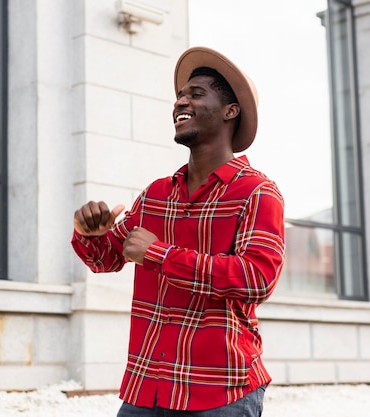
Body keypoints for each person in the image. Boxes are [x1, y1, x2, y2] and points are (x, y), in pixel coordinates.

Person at [71, 46, 285, 416]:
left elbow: (257, 279)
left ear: (229, 111)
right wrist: (90, 234)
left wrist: (159, 255)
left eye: (196, 94)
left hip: (220, 391)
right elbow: (106, 260)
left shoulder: (256, 192)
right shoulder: (155, 194)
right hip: (147, 387)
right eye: (180, 95)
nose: (181, 101)